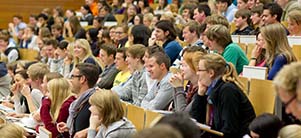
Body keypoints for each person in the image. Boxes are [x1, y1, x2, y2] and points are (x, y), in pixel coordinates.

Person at [196, 54, 255, 138]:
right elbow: (195, 121)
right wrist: (200, 95)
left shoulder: (227, 90)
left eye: (199, 70)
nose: (197, 73)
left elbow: (229, 130)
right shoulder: (212, 89)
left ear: (211, 73)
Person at [57, 63, 100, 137]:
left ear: (82, 79)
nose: (70, 80)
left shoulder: (96, 102)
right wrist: (69, 126)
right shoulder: (79, 102)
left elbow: (108, 125)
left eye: (72, 77)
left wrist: (87, 131)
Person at [169, 49, 206, 123]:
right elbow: (174, 110)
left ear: (195, 68)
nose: (181, 69)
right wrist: (175, 87)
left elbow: (183, 117)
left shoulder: (202, 89)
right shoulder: (190, 86)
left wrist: (178, 88)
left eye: (184, 65)